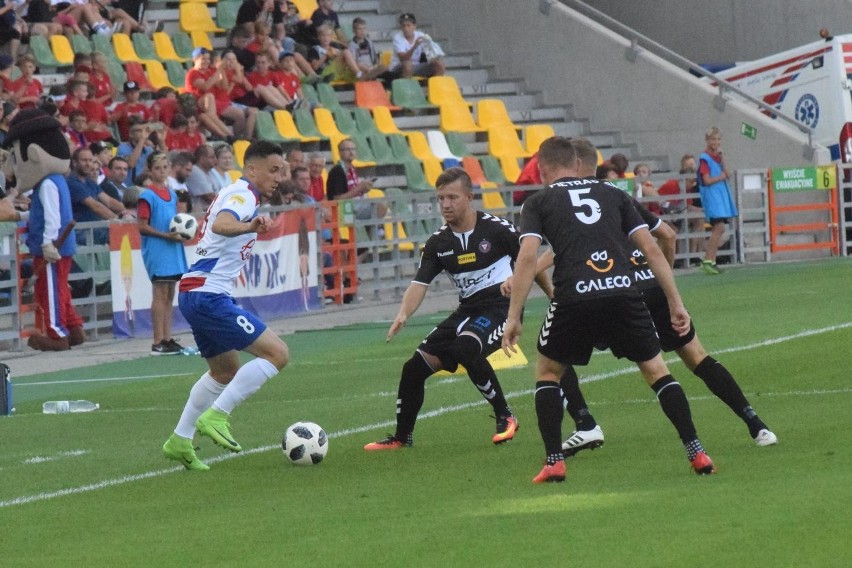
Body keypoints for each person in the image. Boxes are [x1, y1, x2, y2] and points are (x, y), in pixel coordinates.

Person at [501, 136, 716, 483]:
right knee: (657, 370)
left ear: (542, 169)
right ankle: (697, 451)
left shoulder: (538, 202)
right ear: (577, 163)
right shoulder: (615, 193)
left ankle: (555, 460)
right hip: (623, 293)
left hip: (574, 296)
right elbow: (652, 247)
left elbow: (528, 257)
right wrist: (675, 302)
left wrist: (513, 316)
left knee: (548, 372)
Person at [550, 138, 777, 457]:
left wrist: (552, 292)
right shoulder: (618, 197)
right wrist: (663, 277)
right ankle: (756, 425)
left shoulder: (564, 203)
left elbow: (544, 259)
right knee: (697, 357)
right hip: (652, 285)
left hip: (613, 294)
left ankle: (585, 424)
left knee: (555, 359)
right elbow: (667, 234)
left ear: (570, 165)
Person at [364, 167, 551, 451]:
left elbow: (529, 263)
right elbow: (419, 282)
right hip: (467, 311)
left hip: (501, 308)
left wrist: (551, 295)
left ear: (469, 197)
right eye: (440, 199)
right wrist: (404, 313)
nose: (446, 205)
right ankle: (402, 438)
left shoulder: (498, 230)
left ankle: (505, 415)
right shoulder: (439, 243)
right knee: (413, 368)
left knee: (465, 348)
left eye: (452, 197)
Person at [162, 140, 289, 471]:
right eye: (274, 170)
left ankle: (179, 439)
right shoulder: (242, 196)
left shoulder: (239, 193)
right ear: (251, 169)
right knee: (278, 354)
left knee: (223, 371)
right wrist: (249, 226)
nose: (279, 177)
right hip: (207, 295)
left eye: (282, 170)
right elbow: (222, 224)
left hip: (196, 293)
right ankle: (217, 415)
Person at [3, 108, 86, 351]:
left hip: (52, 246)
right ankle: (73, 327)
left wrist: (48, 243)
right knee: (59, 287)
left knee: (49, 289)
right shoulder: (55, 181)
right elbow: (45, 213)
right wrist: (21, 215)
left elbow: (52, 217)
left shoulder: (48, 183)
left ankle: (57, 333)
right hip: (60, 244)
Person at [138, 152, 188, 355]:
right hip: (158, 248)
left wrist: (181, 232)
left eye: (165, 167)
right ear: (150, 170)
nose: (161, 171)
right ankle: (157, 340)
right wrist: (166, 235)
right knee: (159, 293)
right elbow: (142, 226)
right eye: (157, 168)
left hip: (172, 247)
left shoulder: (172, 194)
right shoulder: (146, 196)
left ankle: (167, 338)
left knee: (169, 293)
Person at [697, 127, 737, 275]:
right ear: (707, 140)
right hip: (713, 197)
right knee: (719, 227)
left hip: (720, 196)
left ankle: (711, 260)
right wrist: (721, 176)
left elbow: (728, 172)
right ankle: (707, 260)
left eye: (718, 139)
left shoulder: (717, 157)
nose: (716, 142)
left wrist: (723, 157)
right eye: (713, 139)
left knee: (719, 228)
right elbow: (707, 180)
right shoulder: (704, 159)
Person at [66, 146, 124, 245]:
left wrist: (126, 212)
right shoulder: (72, 183)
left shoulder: (88, 181)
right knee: (122, 233)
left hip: (94, 229)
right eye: (84, 160)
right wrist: (119, 221)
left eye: (90, 160)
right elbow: (95, 206)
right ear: (74, 163)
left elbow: (109, 201)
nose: (88, 164)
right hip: (80, 232)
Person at [657, 154, 704, 262]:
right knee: (673, 228)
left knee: (699, 219)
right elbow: (658, 203)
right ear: (684, 180)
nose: (693, 184)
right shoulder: (671, 185)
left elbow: (687, 206)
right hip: (663, 214)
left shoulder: (687, 189)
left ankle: (692, 255)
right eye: (691, 182)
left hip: (678, 214)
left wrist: (701, 211)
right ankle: (675, 258)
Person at [389, 13, 445, 79]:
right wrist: (415, 46)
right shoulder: (397, 38)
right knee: (407, 64)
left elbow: (430, 52)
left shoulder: (420, 35)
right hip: (398, 67)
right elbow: (403, 59)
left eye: (408, 25)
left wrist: (434, 56)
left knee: (439, 64)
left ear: (414, 26)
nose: (406, 28)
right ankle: (407, 88)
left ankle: (435, 87)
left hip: (416, 66)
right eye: (403, 26)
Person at [348, 17, 388, 82]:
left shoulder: (369, 42)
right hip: (361, 69)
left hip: (371, 66)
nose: (362, 31)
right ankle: (371, 73)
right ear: (354, 31)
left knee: (385, 67)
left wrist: (377, 63)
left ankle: (373, 72)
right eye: (359, 29)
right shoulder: (352, 44)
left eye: (364, 28)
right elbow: (354, 62)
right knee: (359, 64)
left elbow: (374, 56)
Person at [185, 144, 219, 212]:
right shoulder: (194, 171)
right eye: (212, 157)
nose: (215, 159)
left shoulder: (210, 172)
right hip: (199, 214)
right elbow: (209, 197)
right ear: (202, 159)